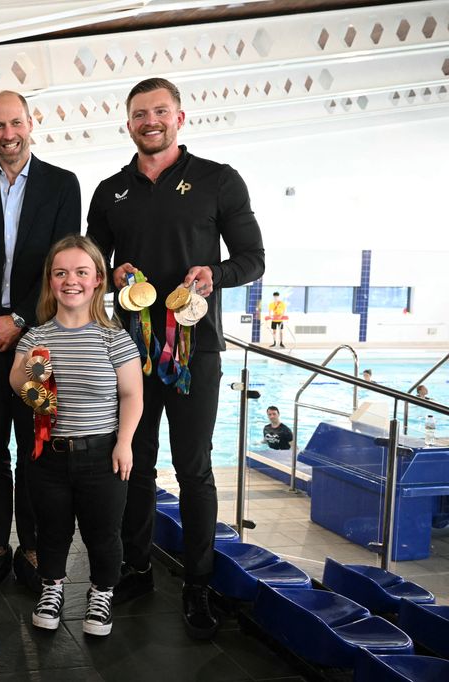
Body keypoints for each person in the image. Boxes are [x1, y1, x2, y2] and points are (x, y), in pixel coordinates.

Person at [86, 77, 265, 639]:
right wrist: (110, 275)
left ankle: (197, 584)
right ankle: (136, 568)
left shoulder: (218, 180)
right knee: (133, 462)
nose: (150, 121)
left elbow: (253, 258)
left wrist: (217, 275)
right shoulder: (111, 190)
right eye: (140, 114)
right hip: (131, 351)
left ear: (180, 117)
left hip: (196, 349)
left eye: (159, 111)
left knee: (193, 469)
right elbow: (92, 263)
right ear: (129, 123)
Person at [0, 90, 82, 593]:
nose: (8, 135)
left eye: (15, 123)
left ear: (32, 123)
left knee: (34, 447)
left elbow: (63, 260)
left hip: (40, 339)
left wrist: (20, 320)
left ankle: (31, 546)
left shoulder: (62, 185)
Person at [9, 235, 143, 636]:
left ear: (98, 279)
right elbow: (16, 382)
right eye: (61, 272)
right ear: (51, 281)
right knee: (51, 532)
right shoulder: (36, 337)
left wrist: (125, 442)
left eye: (81, 272)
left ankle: (102, 594)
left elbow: (132, 394)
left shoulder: (114, 338)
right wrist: (31, 372)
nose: (72, 280)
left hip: (102, 454)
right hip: (48, 454)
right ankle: (52, 589)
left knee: (103, 535)